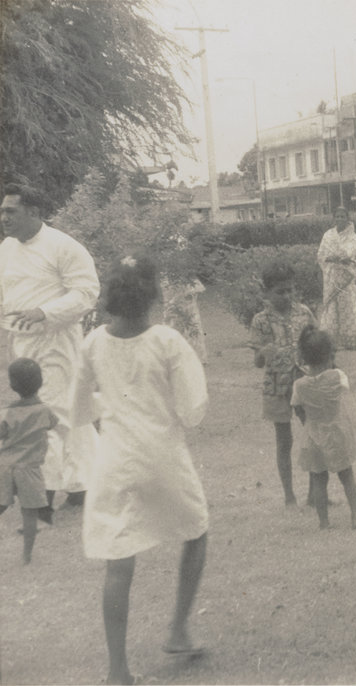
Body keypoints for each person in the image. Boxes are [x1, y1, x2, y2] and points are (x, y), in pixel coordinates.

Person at [70, 256, 209, 685]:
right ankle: (179, 629)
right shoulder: (167, 341)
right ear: (152, 294)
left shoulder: (93, 342)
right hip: (162, 454)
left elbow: (76, 410)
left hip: (114, 459)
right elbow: (192, 411)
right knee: (196, 531)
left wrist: (108, 408)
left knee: (118, 558)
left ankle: (118, 670)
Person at [0, 183, 99, 510]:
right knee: (67, 411)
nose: (4, 218)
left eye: (10, 211)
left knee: (51, 410)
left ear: (34, 212)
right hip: (22, 343)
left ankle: (43, 494)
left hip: (57, 340)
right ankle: (82, 483)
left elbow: (86, 292)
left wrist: (45, 312)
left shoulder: (63, 246)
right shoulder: (6, 250)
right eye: (2, 211)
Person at [249, 260, 317, 507]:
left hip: (304, 381)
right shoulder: (260, 321)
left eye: (290, 290)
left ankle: (315, 491)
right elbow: (257, 361)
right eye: (280, 291)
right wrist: (263, 353)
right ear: (266, 293)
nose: (287, 296)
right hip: (277, 385)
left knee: (313, 434)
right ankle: (289, 495)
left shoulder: (304, 312)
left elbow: (316, 345)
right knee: (284, 440)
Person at [291, 325, 356, 530]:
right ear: (330, 355)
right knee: (347, 476)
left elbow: (297, 407)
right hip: (337, 432)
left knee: (319, 480)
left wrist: (308, 421)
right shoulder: (337, 376)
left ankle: (324, 521)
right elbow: (344, 387)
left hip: (313, 434)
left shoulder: (300, 385)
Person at [0, 358, 58, 564]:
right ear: (41, 382)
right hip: (30, 469)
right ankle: (26, 555)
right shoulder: (45, 410)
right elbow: (53, 423)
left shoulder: (7, 411)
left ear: (12, 385)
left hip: (5, 466)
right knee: (30, 513)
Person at [318, 206, 356, 351]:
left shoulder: (353, 237)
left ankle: (350, 340)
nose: (339, 219)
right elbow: (321, 254)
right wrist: (330, 258)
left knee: (348, 307)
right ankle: (330, 342)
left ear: (347, 218)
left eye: (342, 216)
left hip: (347, 278)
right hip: (331, 277)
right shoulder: (328, 235)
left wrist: (348, 259)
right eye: (337, 216)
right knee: (331, 308)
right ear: (333, 218)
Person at [162, 276, 208, 363]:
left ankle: (197, 356)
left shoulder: (186, 274)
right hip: (173, 302)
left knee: (192, 326)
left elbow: (196, 291)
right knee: (172, 326)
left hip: (187, 303)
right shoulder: (166, 278)